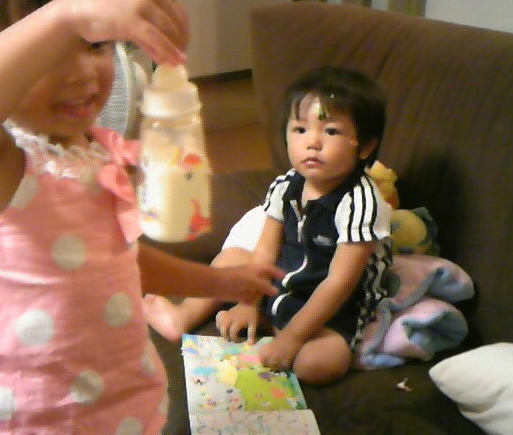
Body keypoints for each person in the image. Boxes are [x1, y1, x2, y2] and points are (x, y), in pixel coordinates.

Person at [0, 0, 283, 432]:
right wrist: (68, 15)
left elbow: (116, 259)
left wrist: (218, 283)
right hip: (29, 416)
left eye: (95, 44)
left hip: (117, 401)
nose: (82, 72)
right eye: (48, 52)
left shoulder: (93, 152)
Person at [144, 66, 393, 385]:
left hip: (333, 308)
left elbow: (339, 283)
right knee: (232, 258)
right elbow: (264, 251)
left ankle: (274, 326)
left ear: (366, 146)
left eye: (331, 131)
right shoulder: (285, 185)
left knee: (319, 366)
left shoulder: (361, 202)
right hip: (282, 281)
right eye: (300, 129)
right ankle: (184, 316)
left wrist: (293, 337)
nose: (312, 142)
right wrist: (247, 301)